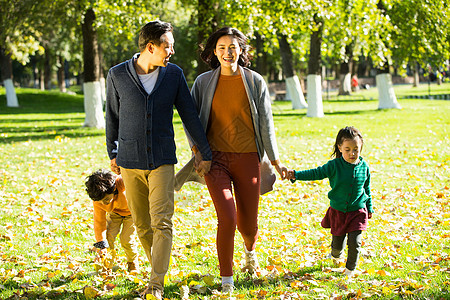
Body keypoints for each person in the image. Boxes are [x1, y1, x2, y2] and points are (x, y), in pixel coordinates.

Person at [105, 20, 212, 299]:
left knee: (162, 221)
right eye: (168, 47)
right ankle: (158, 270)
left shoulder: (174, 75)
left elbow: (189, 115)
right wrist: (113, 152)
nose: (172, 52)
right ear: (151, 47)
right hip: (129, 160)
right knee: (142, 224)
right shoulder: (116, 75)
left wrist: (205, 151)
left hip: (163, 159)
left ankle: (156, 283)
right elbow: (112, 117)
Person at [177, 27, 287, 294]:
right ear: (214, 52)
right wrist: (198, 153)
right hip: (215, 161)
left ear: (242, 50)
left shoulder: (254, 81)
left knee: (248, 224)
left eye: (233, 47)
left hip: (249, 158)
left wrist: (275, 160)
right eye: (222, 48)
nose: (228, 53)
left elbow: (266, 123)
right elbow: (191, 122)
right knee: (227, 217)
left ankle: (250, 253)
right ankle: (227, 280)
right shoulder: (203, 82)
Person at [287, 126, 373, 278]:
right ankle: (335, 254)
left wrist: (369, 208)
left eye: (356, 149)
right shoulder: (334, 166)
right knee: (337, 245)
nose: (352, 153)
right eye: (347, 149)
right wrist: (296, 175)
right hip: (338, 211)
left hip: (358, 211)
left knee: (355, 242)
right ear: (340, 148)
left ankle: (350, 270)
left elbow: (367, 187)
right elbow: (316, 172)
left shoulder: (364, 166)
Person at [84, 169, 139, 273]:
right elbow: (99, 223)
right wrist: (101, 244)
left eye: (106, 200)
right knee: (108, 238)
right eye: (100, 202)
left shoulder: (121, 182)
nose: (103, 203)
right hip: (115, 213)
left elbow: (137, 181)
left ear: (113, 189)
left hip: (132, 213)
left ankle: (132, 263)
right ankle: (107, 266)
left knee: (126, 239)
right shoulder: (98, 200)